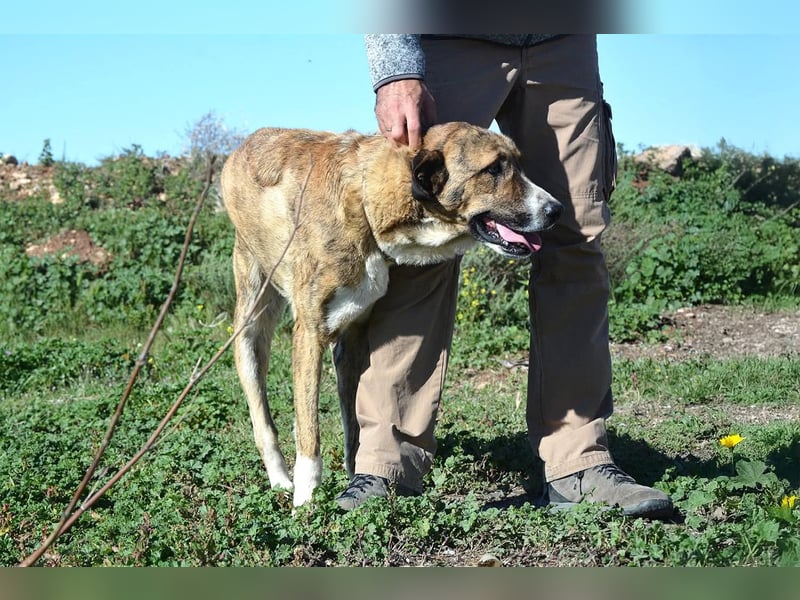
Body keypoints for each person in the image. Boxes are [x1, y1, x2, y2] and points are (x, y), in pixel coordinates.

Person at [334, 34, 673, 519]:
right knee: (419, 233)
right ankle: (387, 466)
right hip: (449, 35)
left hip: (561, 37)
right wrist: (396, 69)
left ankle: (578, 462)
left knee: (574, 238)